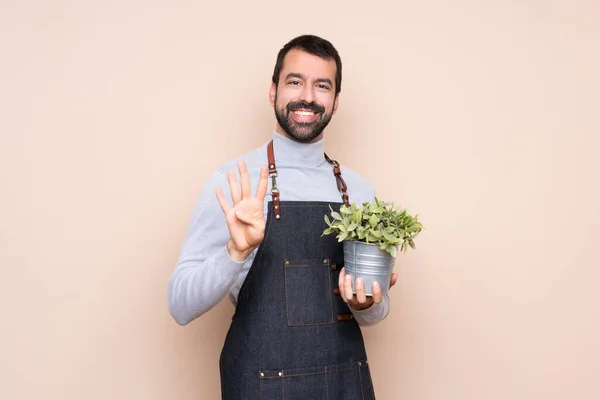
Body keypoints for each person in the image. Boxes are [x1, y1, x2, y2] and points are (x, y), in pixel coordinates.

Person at [168, 34, 397, 399]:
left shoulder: (359, 192)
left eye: (322, 85)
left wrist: (367, 304)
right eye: (295, 81)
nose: (307, 96)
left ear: (336, 101)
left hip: (343, 382)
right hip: (260, 383)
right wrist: (236, 252)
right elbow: (180, 305)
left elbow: (376, 311)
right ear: (273, 90)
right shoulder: (235, 183)